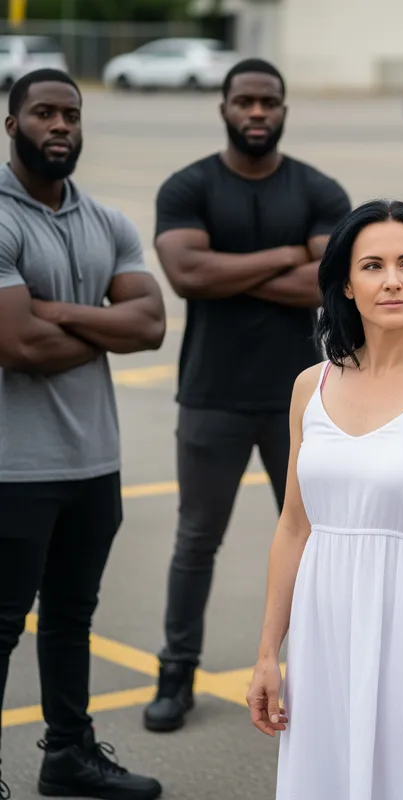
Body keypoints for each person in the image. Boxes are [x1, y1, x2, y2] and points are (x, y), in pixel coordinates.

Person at [245, 199, 403, 799]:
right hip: (322, 630)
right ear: (345, 284)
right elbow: (292, 528)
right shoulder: (311, 385)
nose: (392, 281)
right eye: (373, 266)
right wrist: (266, 654)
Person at [144, 58, 351, 733]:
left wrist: (224, 271)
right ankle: (175, 675)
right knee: (196, 539)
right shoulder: (190, 185)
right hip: (211, 394)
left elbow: (330, 284)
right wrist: (287, 256)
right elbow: (184, 272)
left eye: (268, 102)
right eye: (244, 102)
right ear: (224, 107)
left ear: (284, 109)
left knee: (315, 542)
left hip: (305, 400)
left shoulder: (319, 189)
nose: (256, 112)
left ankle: (327, 674)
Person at [0, 69, 165, 800]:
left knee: (72, 619)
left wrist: (59, 314)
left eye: (70, 113)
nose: (60, 126)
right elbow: (18, 348)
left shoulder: (107, 220)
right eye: (43, 113)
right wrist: (105, 326)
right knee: (0, 627)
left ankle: (67, 755)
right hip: (12, 466)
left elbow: (153, 325)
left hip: (94, 461)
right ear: (13, 126)